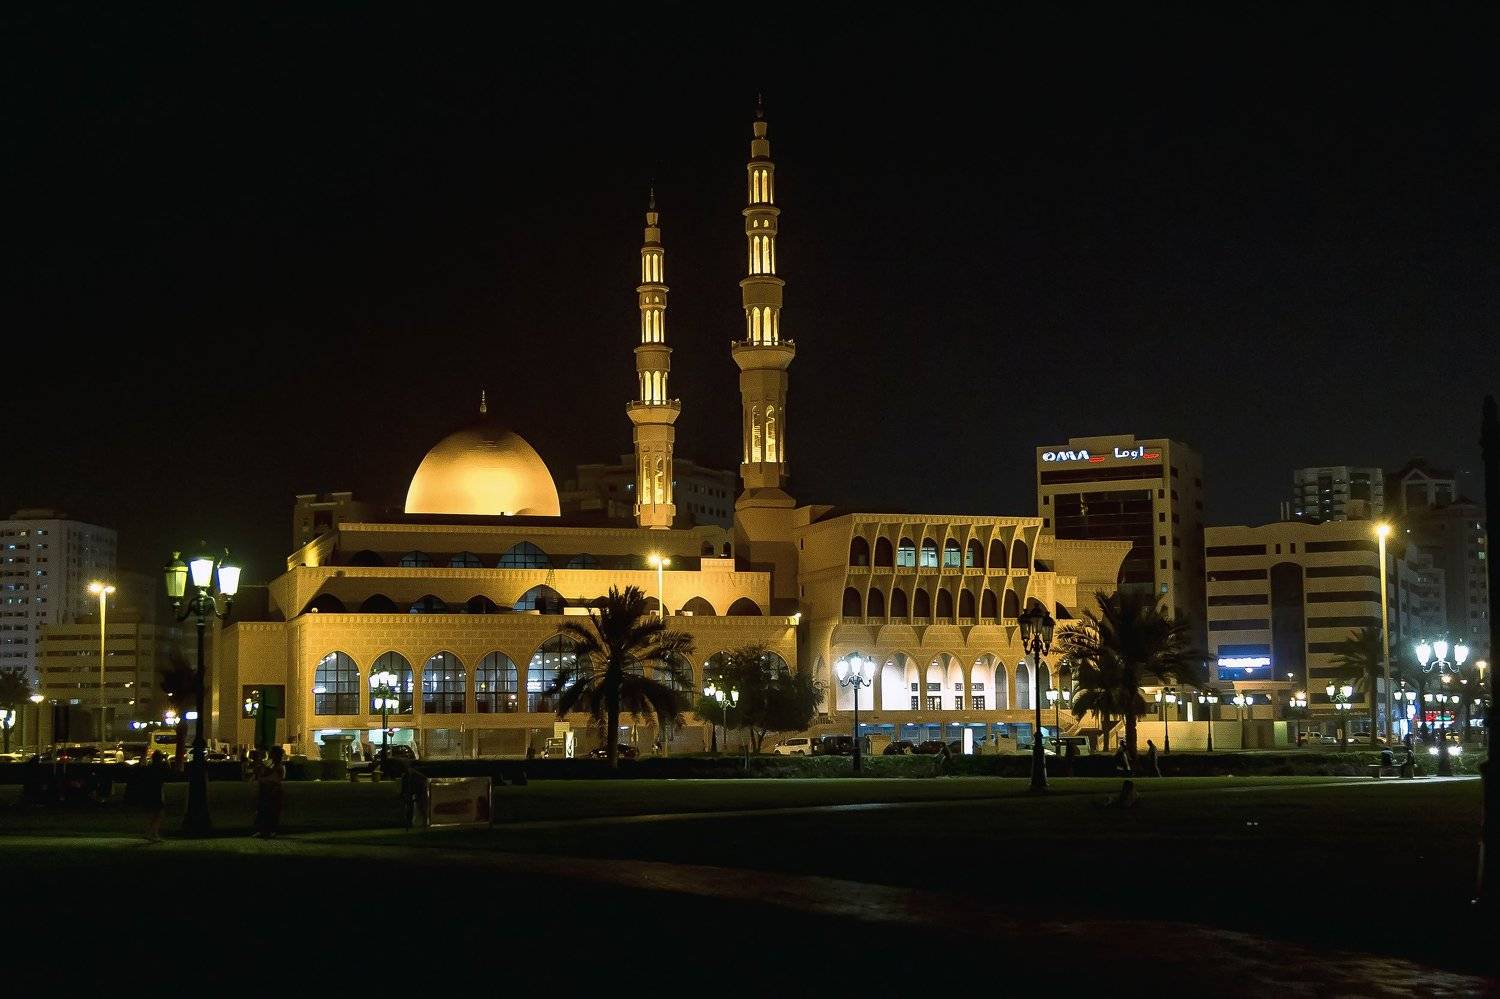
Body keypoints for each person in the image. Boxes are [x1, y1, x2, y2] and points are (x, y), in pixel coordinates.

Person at [251, 745, 286, 838]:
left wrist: (261, 768)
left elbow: (270, 775)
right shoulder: (273, 764)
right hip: (268, 789)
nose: (269, 754)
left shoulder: (277, 765)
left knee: (270, 810)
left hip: (272, 789)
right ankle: (264, 830)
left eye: (271, 753)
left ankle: (269, 830)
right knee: (264, 810)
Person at [138, 750, 168, 843]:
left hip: (149, 792)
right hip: (157, 792)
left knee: (152, 814)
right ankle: (153, 833)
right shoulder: (160, 768)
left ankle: (149, 833)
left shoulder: (149, 768)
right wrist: (166, 759)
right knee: (158, 814)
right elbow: (169, 771)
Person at [400, 762, 428, 829]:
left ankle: (420, 824)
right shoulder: (413, 776)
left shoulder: (413, 776)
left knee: (419, 809)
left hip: (416, 795)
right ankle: (419, 824)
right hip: (414, 795)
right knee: (417, 809)